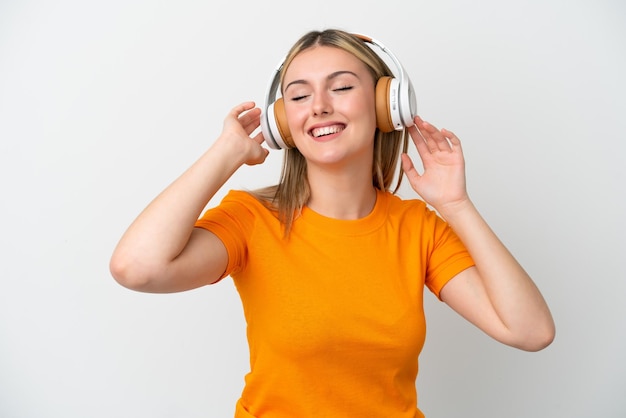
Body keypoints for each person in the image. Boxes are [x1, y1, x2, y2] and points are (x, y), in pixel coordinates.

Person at [110, 28, 555, 418]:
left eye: (340, 88)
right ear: (282, 122)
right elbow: (136, 268)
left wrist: (456, 204)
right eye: (299, 97)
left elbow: (530, 331)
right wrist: (226, 153)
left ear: (387, 104)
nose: (318, 107)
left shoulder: (417, 228)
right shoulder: (252, 220)